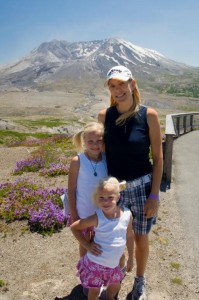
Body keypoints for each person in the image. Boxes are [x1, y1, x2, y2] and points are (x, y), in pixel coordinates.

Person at [98, 65, 163, 300]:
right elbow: (101, 155)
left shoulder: (149, 115)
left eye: (122, 84)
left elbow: (158, 158)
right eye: (112, 86)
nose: (118, 90)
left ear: (132, 84)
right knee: (114, 238)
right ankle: (115, 280)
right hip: (115, 191)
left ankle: (139, 281)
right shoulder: (105, 116)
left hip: (143, 188)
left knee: (140, 238)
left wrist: (154, 195)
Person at [70, 177, 134, 300]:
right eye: (101, 198)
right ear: (97, 198)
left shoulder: (127, 215)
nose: (105, 202)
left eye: (110, 197)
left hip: (114, 265)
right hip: (96, 264)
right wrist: (87, 245)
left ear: (118, 197)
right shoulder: (97, 217)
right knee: (94, 292)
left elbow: (130, 236)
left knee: (114, 288)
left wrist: (131, 258)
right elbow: (74, 227)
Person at [67, 121, 107, 258]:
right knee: (85, 244)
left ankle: (99, 272)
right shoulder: (77, 161)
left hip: (103, 212)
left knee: (101, 245)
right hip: (83, 213)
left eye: (99, 141)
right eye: (90, 141)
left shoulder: (107, 159)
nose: (95, 145)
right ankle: (84, 273)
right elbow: (71, 190)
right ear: (84, 140)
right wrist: (74, 215)